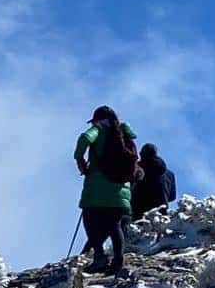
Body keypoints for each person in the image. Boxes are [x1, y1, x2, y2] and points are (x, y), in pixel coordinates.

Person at [73, 105, 138, 277]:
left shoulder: (99, 130)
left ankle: (100, 257)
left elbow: (84, 138)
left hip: (97, 189)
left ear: (97, 120)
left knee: (90, 221)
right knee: (115, 225)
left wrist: (79, 159)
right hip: (121, 191)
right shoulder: (125, 134)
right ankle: (118, 261)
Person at [130, 143, 172, 217]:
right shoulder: (169, 174)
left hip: (139, 211)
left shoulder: (137, 169)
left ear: (142, 154)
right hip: (161, 212)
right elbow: (172, 196)